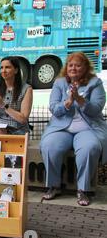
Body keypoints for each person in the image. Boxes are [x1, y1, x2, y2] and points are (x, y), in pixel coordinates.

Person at [40, 52, 107, 206]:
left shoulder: (95, 83)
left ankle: (83, 190)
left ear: (85, 68)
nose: (73, 68)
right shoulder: (59, 83)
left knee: (89, 148)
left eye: (78, 65)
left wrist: (80, 99)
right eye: (71, 65)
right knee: (49, 146)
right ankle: (53, 186)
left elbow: (96, 109)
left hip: (87, 128)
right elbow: (54, 108)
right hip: (61, 127)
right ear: (66, 67)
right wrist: (68, 102)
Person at [0, 57, 33, 134]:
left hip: (18, 129)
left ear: (16, 70)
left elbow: (23, 119)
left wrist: (4, 105)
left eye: (7, 67)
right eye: (1, 68)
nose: (3, 71)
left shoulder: (27, 89)